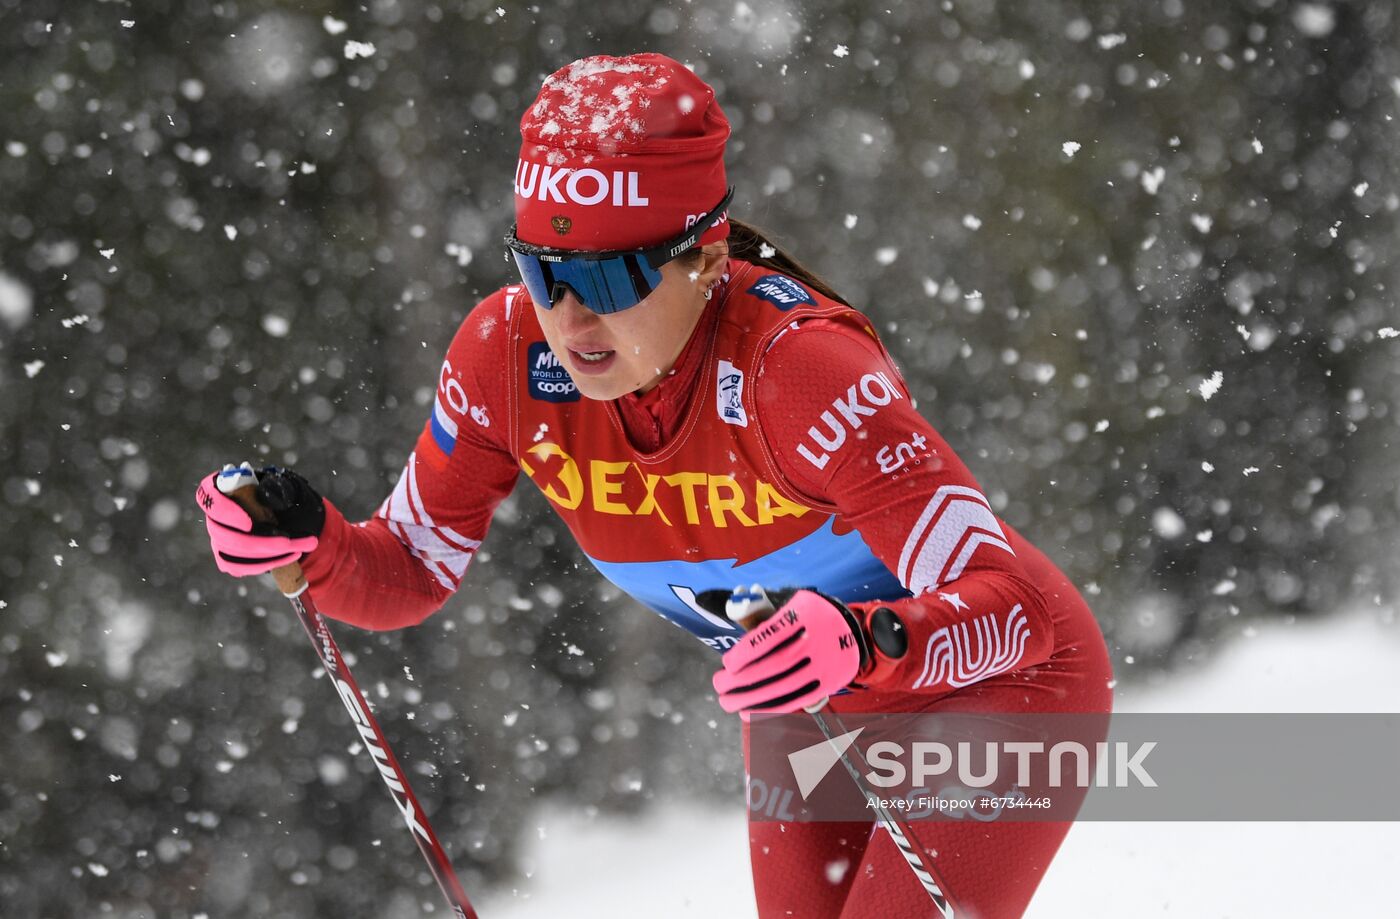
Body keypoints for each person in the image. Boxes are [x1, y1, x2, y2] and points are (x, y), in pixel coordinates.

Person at [196, 53, 1112, 918]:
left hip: (1000, 683)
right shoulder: (505, 359)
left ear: (709, 260)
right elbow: (405, 570)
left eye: (610, 274)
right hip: (811, 691)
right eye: (541, 270)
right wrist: (308, 539)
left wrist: (867, 640)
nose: (571, 315)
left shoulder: (797, 371)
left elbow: (1018, 610)